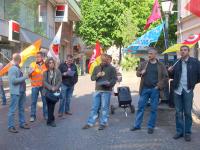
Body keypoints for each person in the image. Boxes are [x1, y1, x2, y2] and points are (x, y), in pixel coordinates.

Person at [130, 48, 168, 134]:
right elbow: (137, 73)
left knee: (153, 109)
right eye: (148, 53)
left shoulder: (161, 65)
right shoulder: (144, 64)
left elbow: (166, 77)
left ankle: (151, 127)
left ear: (155, 54)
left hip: (155, 90)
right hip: (145, 89)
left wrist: (158, 86)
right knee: (140, 108)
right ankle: (137, 125)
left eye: (151, 53)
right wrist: (140, 73)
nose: (149, 55)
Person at [168, 45, 200, 142]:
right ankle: (179, 131)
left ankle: (187, 133)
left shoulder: (195, 62)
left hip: (188, 90)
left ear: (188, 51)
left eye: (185, 50)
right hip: (178, 90)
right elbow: (171, 76)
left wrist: (192, 84)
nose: (183, 52)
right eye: (181, 50)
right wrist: (169, 71)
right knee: (178, 112)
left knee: (187, 112)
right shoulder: (176, 62)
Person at [82, 54, 117, 130]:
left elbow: (114, 79)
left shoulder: (112, 68)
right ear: (101, 59)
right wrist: (97, 75)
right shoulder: (96, 68)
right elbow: (92, 78)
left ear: (108, 60)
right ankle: (90, 123)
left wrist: (109, 83)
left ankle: (103, 123)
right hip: (98, 90)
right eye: (103, 60)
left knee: (104, 107)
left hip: (106, 90)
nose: (104, 62)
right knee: (94, 107)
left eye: (106, 60)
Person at [7, 53, 30, 133]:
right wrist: (25, 76)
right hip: (16, 92)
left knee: (21, 108)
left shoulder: (17, 68)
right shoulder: (13, 68)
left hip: (21, 91)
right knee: (12, 110)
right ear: (19, 60)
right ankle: (10, 126)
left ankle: (22, 123)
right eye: (21, 59)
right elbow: (13, 81)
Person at [43, 58, 62, 127]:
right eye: (50, 63)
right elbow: (44, 82)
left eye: (52, 62)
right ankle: (51, 120)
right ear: (47, 64)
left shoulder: (57, 71)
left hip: (55, 92)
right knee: (49, 106)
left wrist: (56, 87)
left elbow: (60, 80)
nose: (51, 64)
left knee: (52, 106)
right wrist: (51, 88)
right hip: (47, 92)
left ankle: (50, 120)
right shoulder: (45, 72)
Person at [29, 52, 48, 122]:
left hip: (43, 86)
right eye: (36, 57)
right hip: (35, 86)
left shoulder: (46, 65)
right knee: (33, 102)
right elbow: (28, 75)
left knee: (45, 101)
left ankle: (46, 115)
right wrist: (30, 72)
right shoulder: (32, 64)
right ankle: (32, 116)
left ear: (42, 57)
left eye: (39, 56)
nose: (37, 58)